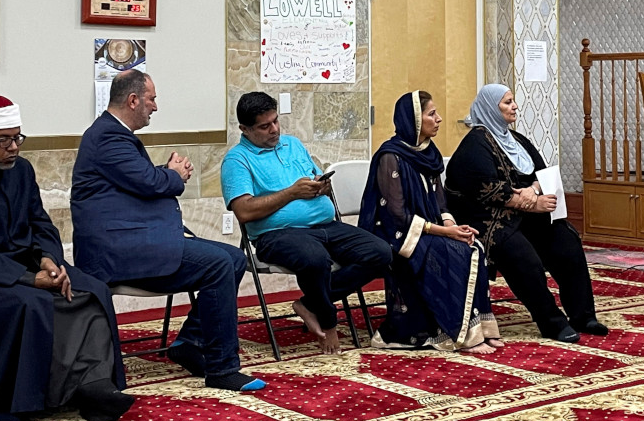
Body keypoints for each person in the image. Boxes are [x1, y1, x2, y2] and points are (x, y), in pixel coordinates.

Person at [0, 93, 133, 421]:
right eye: (3, 140)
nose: (14, 147)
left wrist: (49, 259)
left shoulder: (21, 171)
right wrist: (28, 278)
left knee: (94, 290)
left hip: (23, 263)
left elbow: (40, 223)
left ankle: (93, 384)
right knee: (32, 301)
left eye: (17, 137)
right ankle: (36, 396)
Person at [71, 70, 264, 392]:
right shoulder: (108, 137)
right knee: (219, 264)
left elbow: (135, 181)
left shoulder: (112, 135)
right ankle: (222, 368)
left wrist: (167, 172)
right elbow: (148, 183)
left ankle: (189, 343)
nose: (155, 107)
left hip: (137, 240)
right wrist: (173, 175)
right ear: (133, 100)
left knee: (232, 257)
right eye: (152, 99)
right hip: (120, 252)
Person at [222, 92, 392, 354]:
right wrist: (292, 192)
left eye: (276, 121)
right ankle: (327, 320)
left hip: (326, 226)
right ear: (245, 129)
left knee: (381, 252)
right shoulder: (237, 160)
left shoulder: (293, 144)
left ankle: (310, 304)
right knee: (315, 260)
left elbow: (312, 178)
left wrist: (321, 187)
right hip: (277, 234)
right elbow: (243, 211)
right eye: (265, 126)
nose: (274, 130)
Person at [446, 84, 607, 343]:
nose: (515, 107)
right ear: (490, 108)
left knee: (566, 240)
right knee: (524, 257)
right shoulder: (475, 145)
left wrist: (533, 190)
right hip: (488, 221)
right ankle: (551, 321)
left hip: (524, 215)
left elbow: (542, 174)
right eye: (507, 102)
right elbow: (491, 191)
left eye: (513, 101)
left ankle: (583, 315)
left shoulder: (517, 140)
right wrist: (532, 202)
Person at [360, 91, 501, 354]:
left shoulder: (429, 153)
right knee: (451, 251)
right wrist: (446, 233)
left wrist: (452, 226)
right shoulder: (391, 156)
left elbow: (440, 203)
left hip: (428, 229)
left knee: (473, 247)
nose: (438, 119)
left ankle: (479, 328)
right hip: (399, 234)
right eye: (431, 114)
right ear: (414, 119)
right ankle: (457, 332)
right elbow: (396, 215)